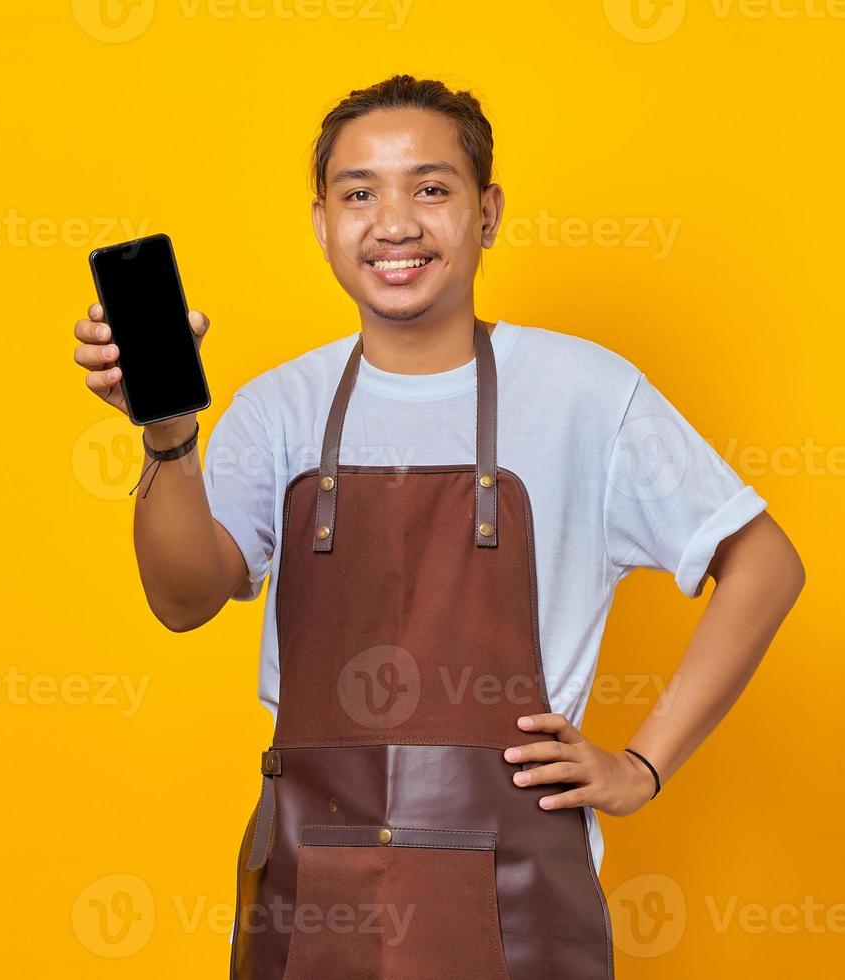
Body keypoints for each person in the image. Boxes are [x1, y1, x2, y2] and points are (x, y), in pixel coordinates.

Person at [71, 73, 804, 979]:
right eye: (359, 193)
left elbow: (765, 564)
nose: (394, 223)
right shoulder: (277, 408)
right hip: (311, 886)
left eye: (430, 188)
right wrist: (170, 438)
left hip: (517, 898)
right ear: (321, 222)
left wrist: (642, 766)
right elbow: (182, 599)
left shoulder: (587, 393)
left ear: (486, 213)